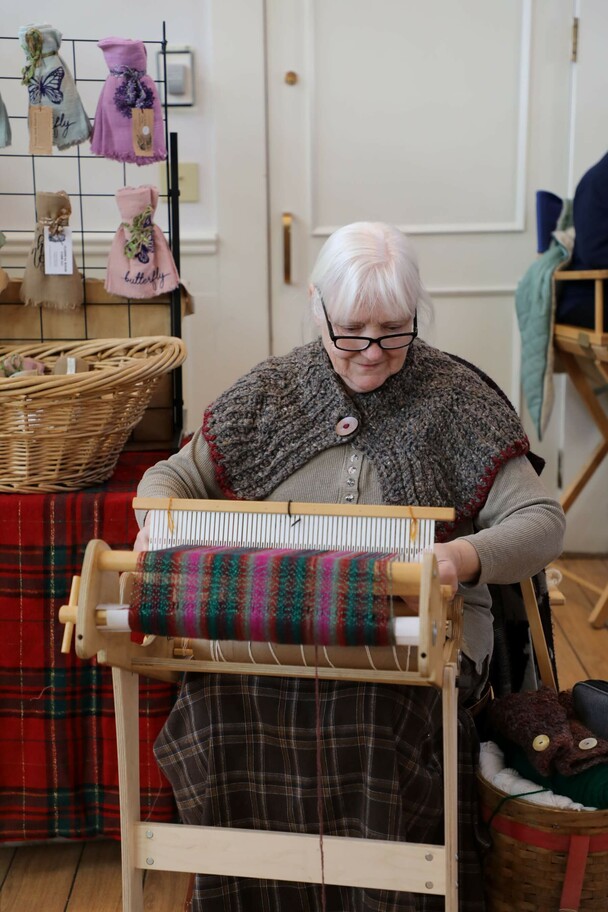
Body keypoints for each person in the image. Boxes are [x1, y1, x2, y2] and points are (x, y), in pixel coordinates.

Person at [135, 222, 566, 911]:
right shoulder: (272, 392)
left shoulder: (456, 400)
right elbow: (171, 477)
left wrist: (460, 557)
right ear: (317, 308)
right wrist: (167, 525)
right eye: (351, 331)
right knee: (216, 702)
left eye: (393, 331)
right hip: (278, 628)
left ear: (416, 317)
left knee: (369, 711)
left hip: (421, 639)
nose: (371, 353)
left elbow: (543, 522)